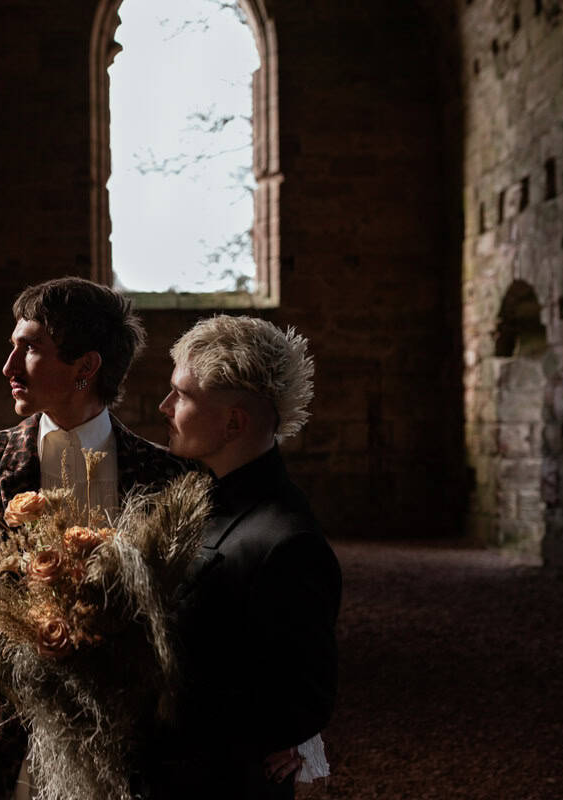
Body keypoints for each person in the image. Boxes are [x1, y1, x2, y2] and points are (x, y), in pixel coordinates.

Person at [0, 277, 189, 800]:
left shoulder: (167, 478)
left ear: (86, 368)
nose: (8, 367)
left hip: (126, 745)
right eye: (12, 346)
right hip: (3, 737)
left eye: (30, 348)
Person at [149, 314, 342, 799]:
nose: (164, 406)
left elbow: (303, 700)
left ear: (234, 421)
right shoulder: (191, 496)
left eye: (182, 395)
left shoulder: (287, 541)